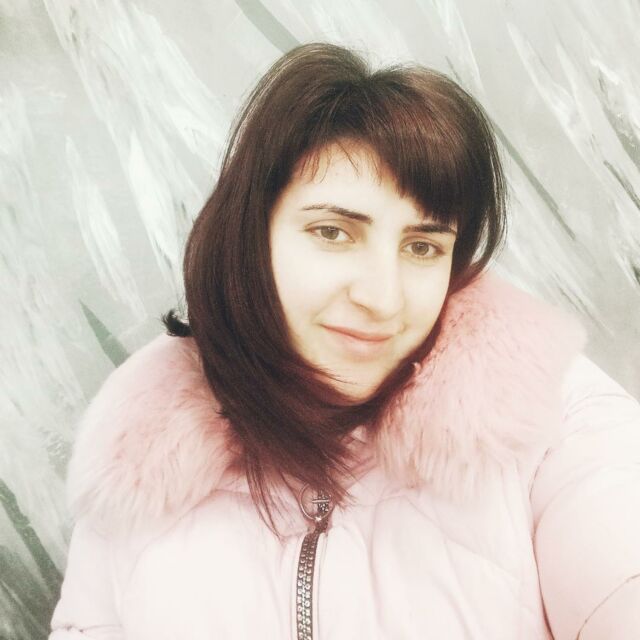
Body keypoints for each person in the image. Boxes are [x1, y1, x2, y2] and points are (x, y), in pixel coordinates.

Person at [49, 43, 640, 640]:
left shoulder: (553, 421)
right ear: (250, 233)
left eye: (422, 247)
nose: (382, 298)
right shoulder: (134, 471)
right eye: (333, 232)